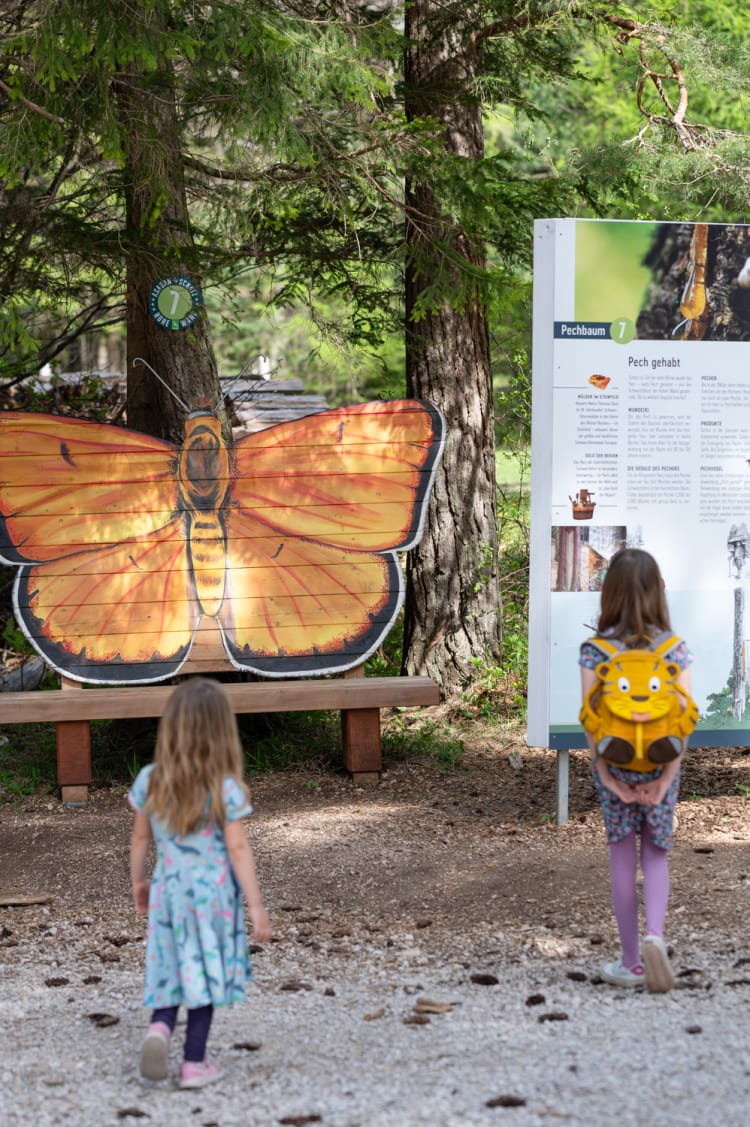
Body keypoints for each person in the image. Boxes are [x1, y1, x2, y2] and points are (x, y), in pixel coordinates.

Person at [129, 678, 272, 1088]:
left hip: (169, 890)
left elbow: (140, 839)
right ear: (221, 730)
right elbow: (239, 849)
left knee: (172, 963)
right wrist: (256, 906)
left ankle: (159, 1027)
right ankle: (193, 1063)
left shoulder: (151, 779)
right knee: (205, 971)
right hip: (213, 898)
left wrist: (139, 882)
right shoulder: (223, 787)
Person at [579, 548, 694, 993]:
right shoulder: (674, 648)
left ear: (608, 593)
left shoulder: (596, 650)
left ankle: (632, 963)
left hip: (617, 762)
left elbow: (590, 718)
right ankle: (655, 938)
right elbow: (683, 717)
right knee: (657, 855)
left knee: (622, 859)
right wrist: (666, 778)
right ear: (657, 592)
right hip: (662, 761)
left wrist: (606, 775)